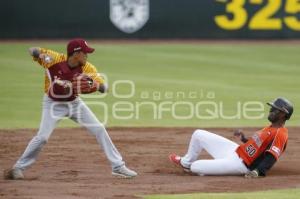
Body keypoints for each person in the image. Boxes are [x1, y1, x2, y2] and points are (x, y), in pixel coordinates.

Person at [4, 38, 137, 179]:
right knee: (42, 137)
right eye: (85, 53)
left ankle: (118, 167)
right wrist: (39, 54)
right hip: (53, 104)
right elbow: (32, 50)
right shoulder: (54, 59)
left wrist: (94, 85)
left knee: (99, 128)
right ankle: (18, 168)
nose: (87, 55)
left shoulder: (88, 68)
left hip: (75, 104)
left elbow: (105, 88)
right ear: (76, 54)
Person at [169, 98, 293, 178]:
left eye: (274, 109)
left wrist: (258, 172)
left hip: (240, 165)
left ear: (283, 114)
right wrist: (244, 139)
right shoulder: (270, 127)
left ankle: (195, 166)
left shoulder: (281, 134)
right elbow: (257, 145)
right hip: (235, 151)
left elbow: (271, 156)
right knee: (198, 134)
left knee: (196, 167)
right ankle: (186, 163)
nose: (271, 110)